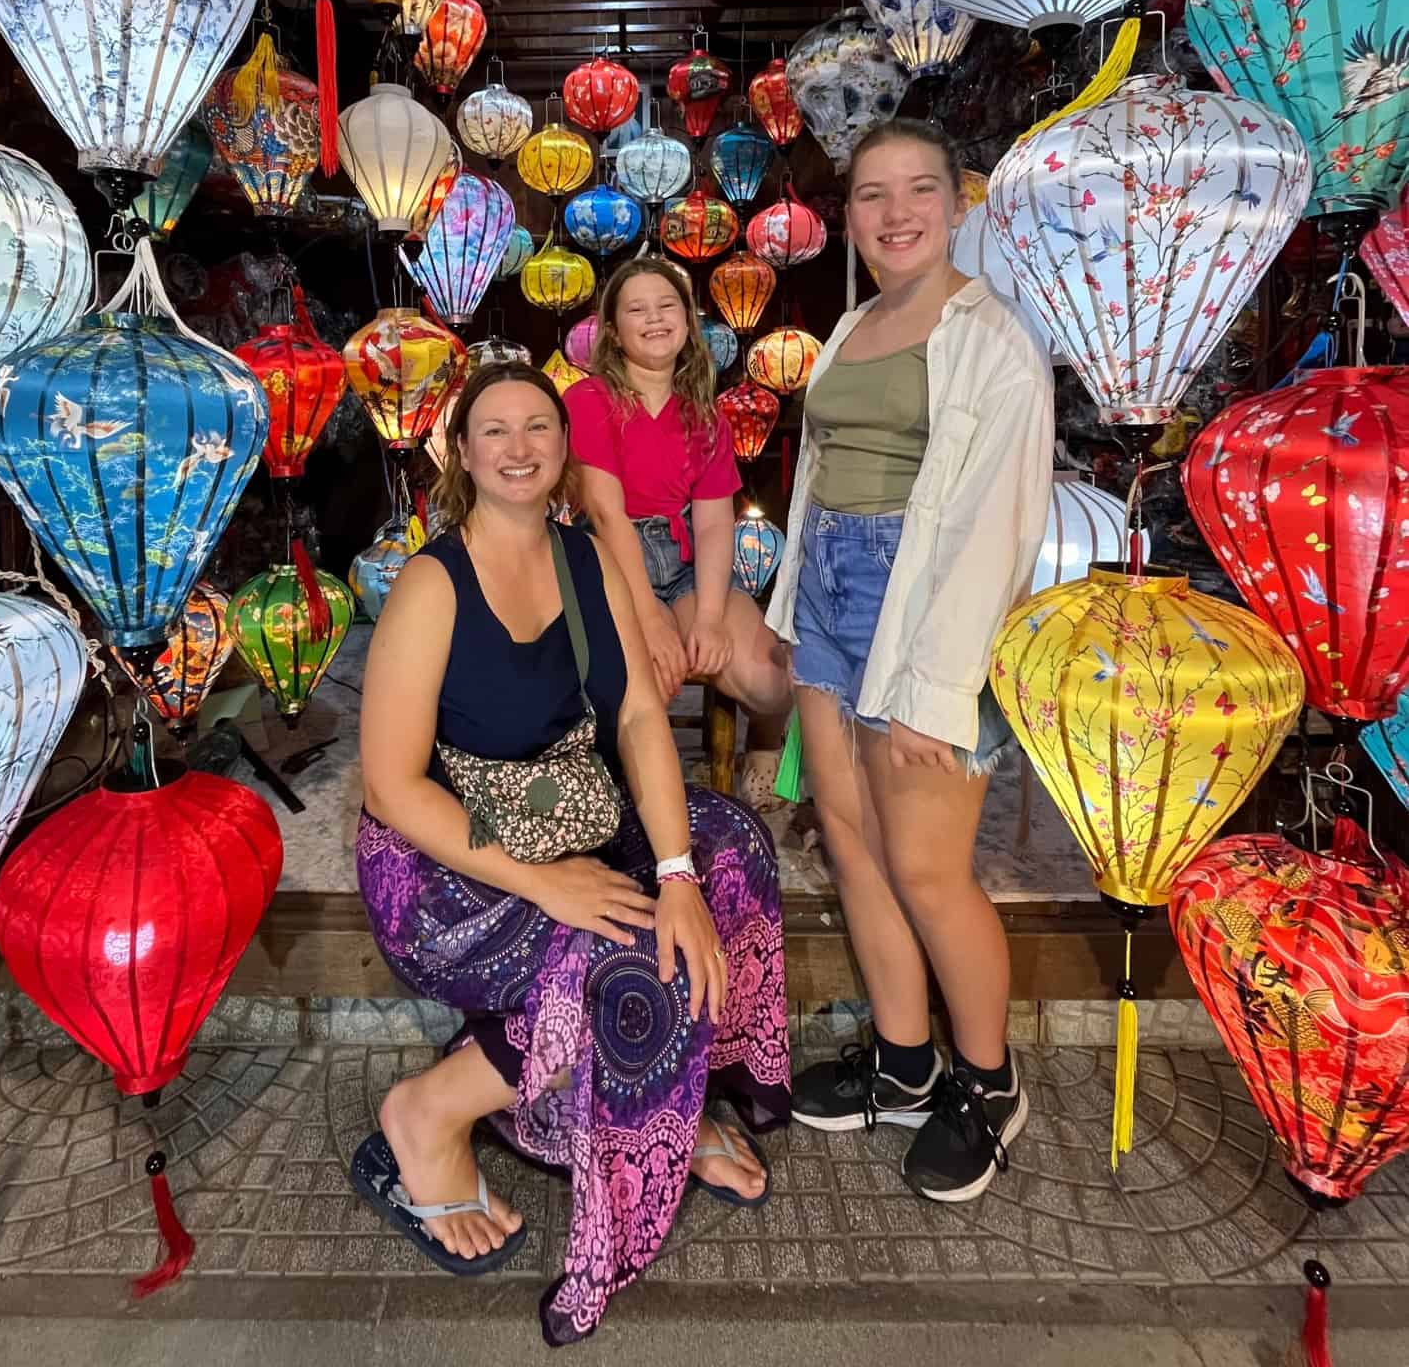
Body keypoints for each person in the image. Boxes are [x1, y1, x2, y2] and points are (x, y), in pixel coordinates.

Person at [354, 362, 790, 1346]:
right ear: (462, 452)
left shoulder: (585, 552)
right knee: (614, 951)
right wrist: (544, 880)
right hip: (445, 865)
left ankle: (677, 1097)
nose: (519, 446)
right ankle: (425, 1112)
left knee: (731, 849)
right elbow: (390, 784)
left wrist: (676, 874)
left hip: (572, 810)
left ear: (564, 445)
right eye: (494, 430)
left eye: (538, 426)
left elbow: (639, 710)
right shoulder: (432, 581)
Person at [766, 119, 1053, 1204]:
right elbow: (817, 480)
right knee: (853, 840)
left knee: (929, 863)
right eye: (874, 194)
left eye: (918, 188)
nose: (896, 212)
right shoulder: (850, 326)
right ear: (850, 216)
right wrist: (796, 612)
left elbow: (994, 527)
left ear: (955, 203)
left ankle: (988, 1080)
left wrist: (940, 690)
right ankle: (903, 1059)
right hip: (835, 602)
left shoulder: (994, 340)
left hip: (926, 606)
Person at [566, 257, 791, 804]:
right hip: (613, 558)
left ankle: (766, 741)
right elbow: (606, 513)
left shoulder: (705, 414)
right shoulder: (589, 400)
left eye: (667, 306)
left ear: (688, 324)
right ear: (614, 332)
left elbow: (714, 521)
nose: (655, 318)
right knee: (648, 676)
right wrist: (648, 615)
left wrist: (710, 618)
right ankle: (626, 791)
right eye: (636, 310)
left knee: (768, 679)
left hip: (688, 556)